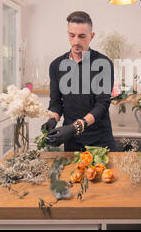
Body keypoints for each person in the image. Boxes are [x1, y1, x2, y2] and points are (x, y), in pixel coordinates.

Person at [42, 11, 116, 152]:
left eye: (82, 36)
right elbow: (56, 103)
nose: (76, 41)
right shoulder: (56, 65)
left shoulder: (103, 64)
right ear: (68, 34)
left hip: (100, 141)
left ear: (91, 36)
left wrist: (74, 127)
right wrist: (52, 120)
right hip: (72, 142)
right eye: (72, 35)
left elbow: (102, 104)